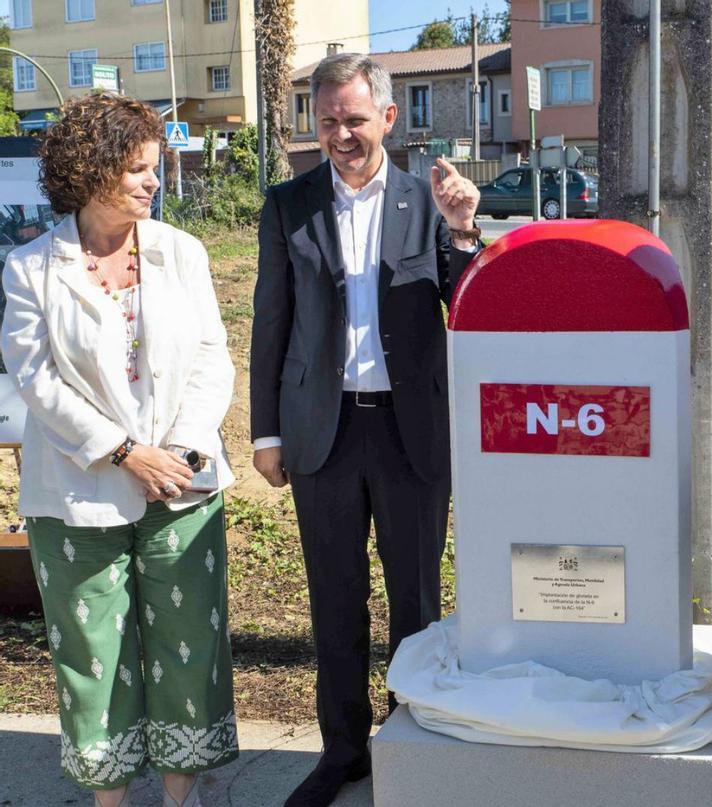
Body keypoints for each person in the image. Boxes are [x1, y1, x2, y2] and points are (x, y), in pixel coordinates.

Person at [249, 52, 482, 807]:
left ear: (387, 117)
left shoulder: (429, 199)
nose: (341, 134)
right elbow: (270, 323)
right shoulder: (289, 205)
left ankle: (413, 740)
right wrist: (266, 433)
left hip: (411, 431)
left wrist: (464, 232)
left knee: (415, 600)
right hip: (323, 431)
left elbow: (469, 304)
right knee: (335, 601)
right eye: (327, 121)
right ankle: (342, 752)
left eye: (354, 118)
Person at [0, 93, 237, 807]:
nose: (152, 181)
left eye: (153, 167)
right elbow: (35, 379)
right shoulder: (30, 268)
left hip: (181, 487)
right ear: (93, 171)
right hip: (76, 492)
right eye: (137, 169)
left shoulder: (180, 251)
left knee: (188, 644)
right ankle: (110, 799)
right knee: (92, 654)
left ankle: (181, 794)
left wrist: (185, 451)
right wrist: (125, 451)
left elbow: (211, 356)